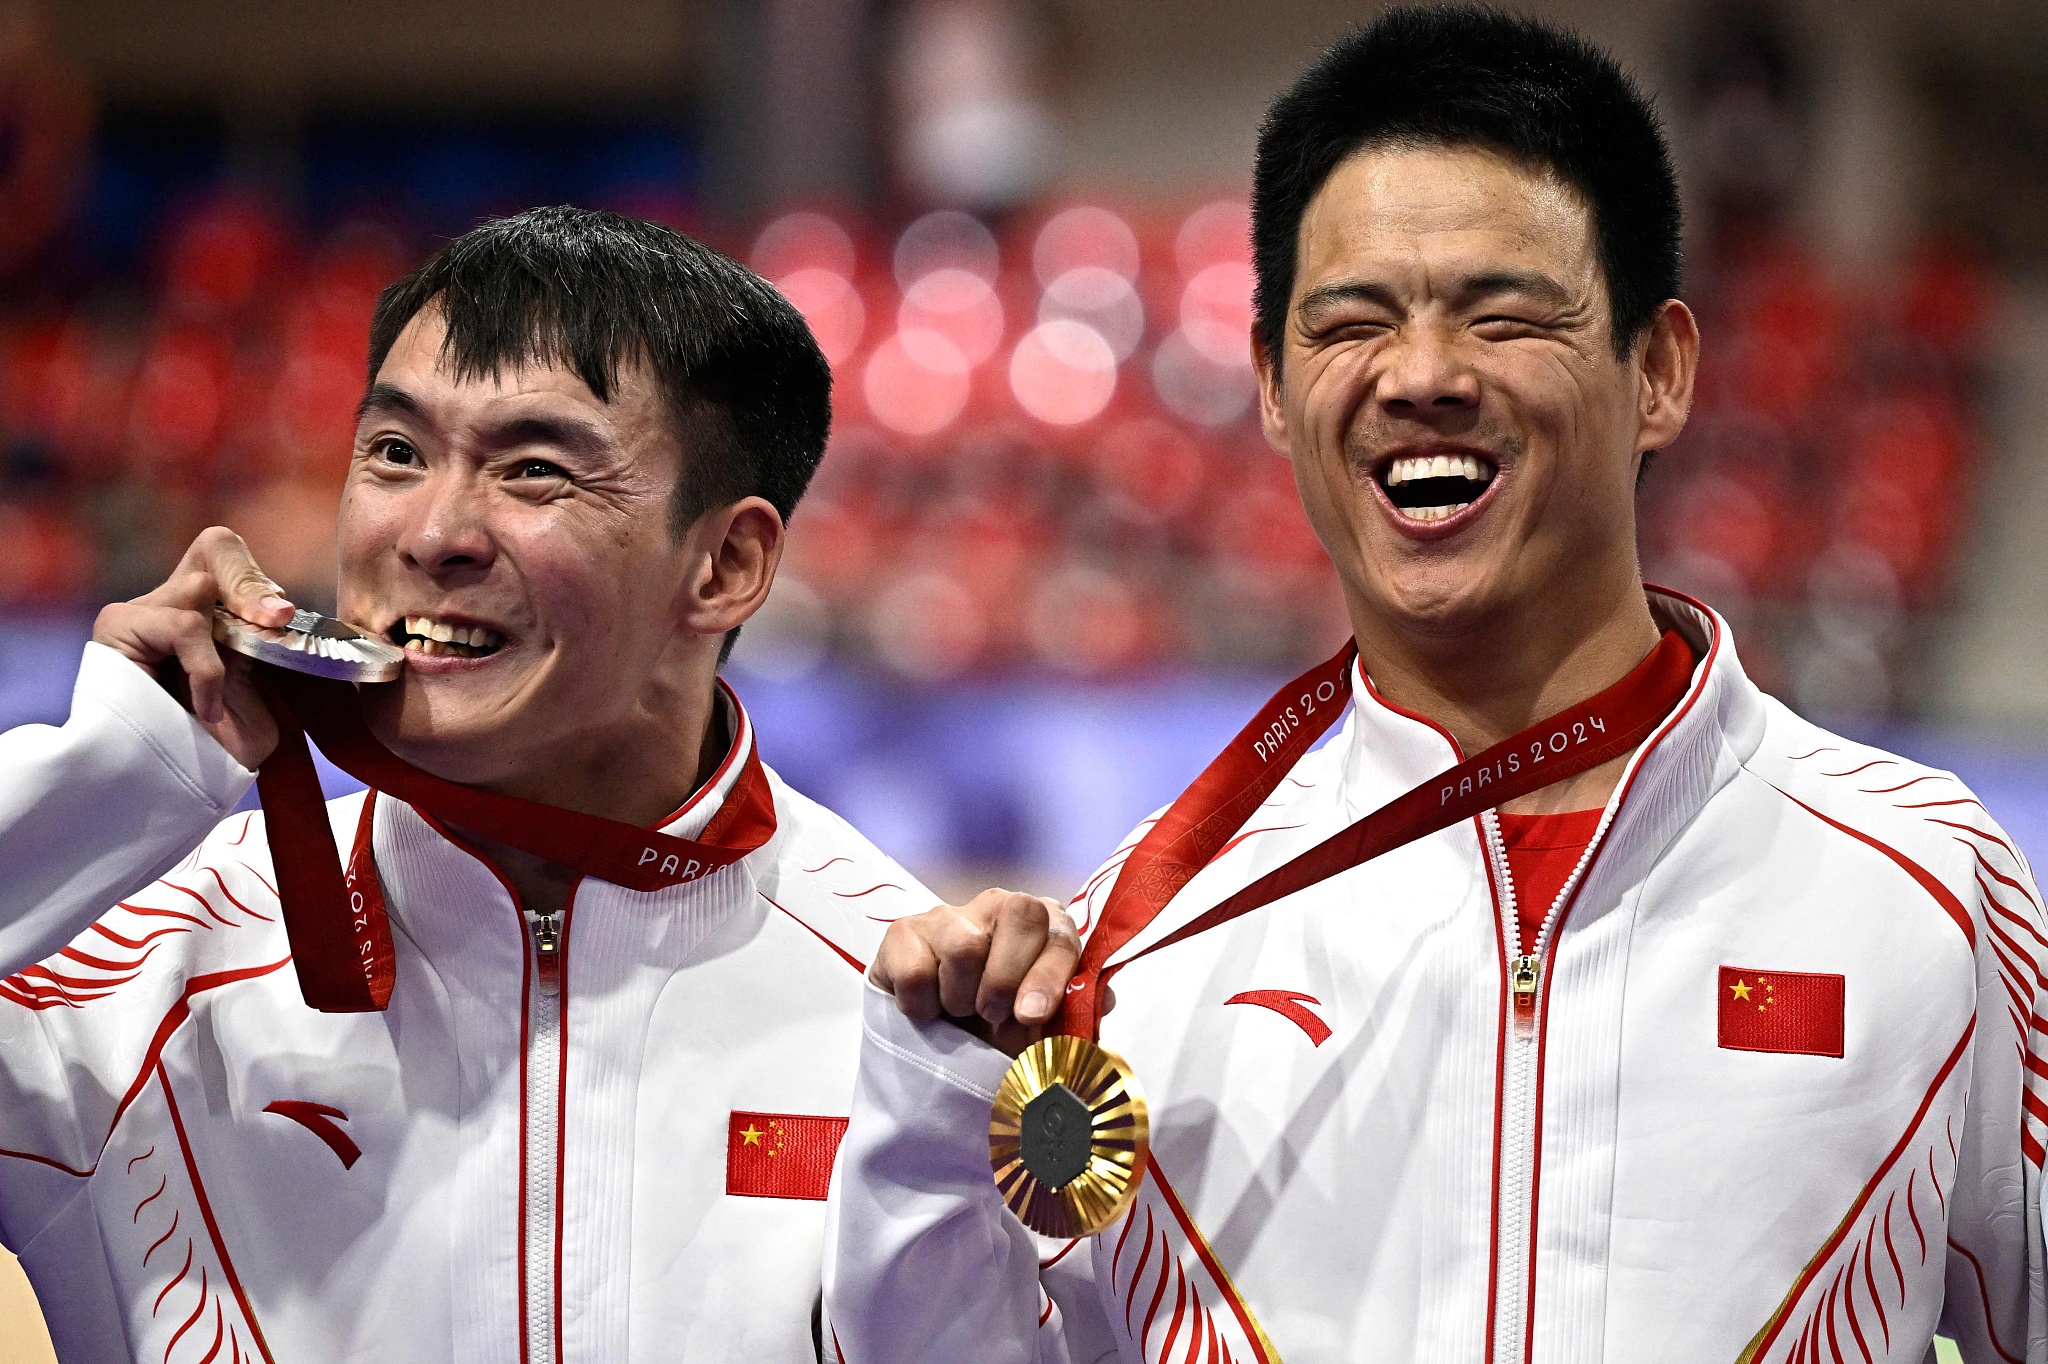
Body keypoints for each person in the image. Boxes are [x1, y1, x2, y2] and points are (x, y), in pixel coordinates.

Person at [827, 10, 2048, 1361]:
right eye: (1354, 324)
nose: (1421, 377)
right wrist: (926, 1128)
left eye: (1503, 314)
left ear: (1661, 373)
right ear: (1279, 393)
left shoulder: (1932, 890)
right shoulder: (1143, 943)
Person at [0, 206, 932, 1362]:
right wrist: (109, 776)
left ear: (726, 562)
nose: (433, 530)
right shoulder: (129, 969)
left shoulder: (911, 1009)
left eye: (534, 470)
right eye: (394, 452)